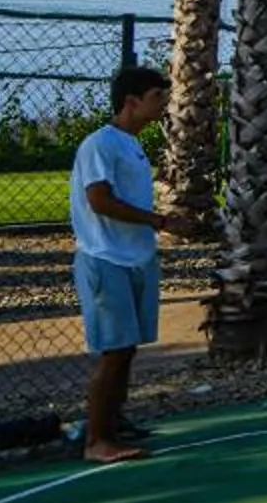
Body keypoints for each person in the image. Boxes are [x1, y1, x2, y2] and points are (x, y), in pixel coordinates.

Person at [67, 63, 206, 463]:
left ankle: (114, 422)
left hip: (135, 258)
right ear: (131, 101)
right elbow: (99, 199)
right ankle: (96, 440)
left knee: (126, 350)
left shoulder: (133, 144)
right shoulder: (101, 144)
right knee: (114, 350)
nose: (163, 105)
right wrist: (160, 221)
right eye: (157, 97)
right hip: (104, 259)